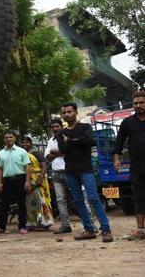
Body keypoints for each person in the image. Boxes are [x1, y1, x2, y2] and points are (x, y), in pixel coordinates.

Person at [58, 102, 113, 242]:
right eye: (64, 113)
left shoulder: (85, 127)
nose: (66, 115)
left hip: (86, 169)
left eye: (69, 112)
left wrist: (70, 140)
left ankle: (106, 230)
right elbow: (63, 149)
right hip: (70, 171)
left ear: (76, 112)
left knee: (94, 198)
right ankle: (89, 229)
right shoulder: (61, 132)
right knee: (77, 200)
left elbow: (89, 141)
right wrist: (76, 142)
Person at [113, 91, 145, 241]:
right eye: (135, 103)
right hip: (137, 167)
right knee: (138, 197)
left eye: (141, 103)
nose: (138, 106)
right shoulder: (127, 122)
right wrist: (116, 159)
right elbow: (119, 141)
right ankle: (140, 229)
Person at [0, 132, 32, 235]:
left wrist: (27, 181)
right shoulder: (1, 153)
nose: (8, 139)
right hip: (7, 180)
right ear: (4, 139)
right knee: (4, 204)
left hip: (20, 179)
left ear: (14, 138)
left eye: (10, 137)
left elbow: (27, 167)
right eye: (6, 137)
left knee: (21, 203)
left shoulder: (21, 151)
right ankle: (2, 227)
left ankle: (22, 226)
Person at [45, 118, 73, 234]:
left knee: (79, 198)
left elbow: (68, 150)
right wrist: (60, 152)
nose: (55, 129)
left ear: (62, 126)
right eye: (53, 127)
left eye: (57, 126)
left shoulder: (67, 137)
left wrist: (55, 153)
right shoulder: (51, 140)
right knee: (60, 200)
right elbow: (47, 156)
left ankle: (89, 225)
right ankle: (65, 226)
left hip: (69, 171)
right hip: (56, 173)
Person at [21, 136, 54, 230]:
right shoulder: (22, 154)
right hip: (28, 180)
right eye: (23, 143)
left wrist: (40, 179)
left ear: (30, 143)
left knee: (41, 201)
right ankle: (32, 223)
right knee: (30, 202)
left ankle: (46, 222)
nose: (25, 144)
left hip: (38, 179)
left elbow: (44, 166)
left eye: (27, 142)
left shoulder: (36, 153)